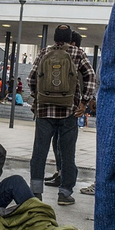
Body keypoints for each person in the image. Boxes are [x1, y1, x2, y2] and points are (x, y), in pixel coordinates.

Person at [28, 24, 96, 205]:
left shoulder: (44, 53)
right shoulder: (78, 53)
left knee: (39, 153)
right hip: (69, 111)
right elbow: (90, 76)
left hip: (44, 111)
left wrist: (38, 98)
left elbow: (31, 78)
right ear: (69, 38)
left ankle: (36, 193)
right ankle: (64, 193)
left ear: (55, 38)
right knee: (67, 154)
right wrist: (83, 102)